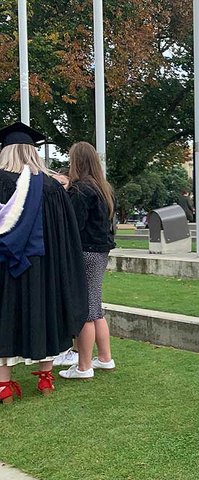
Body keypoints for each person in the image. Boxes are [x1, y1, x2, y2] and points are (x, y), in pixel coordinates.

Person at [0, 122, 87, 402]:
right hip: (43, 267)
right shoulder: (51, 187)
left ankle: (3, 385)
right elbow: (65, 237)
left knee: (4, 315)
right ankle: (46, 378)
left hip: (5, 265)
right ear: (33, 151)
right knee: (43, 311)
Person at [58, 142, 117, 379]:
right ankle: (104, 358)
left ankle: (84, 366)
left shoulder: (81, 190)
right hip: (100, 251)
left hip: (85, 251)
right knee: (95, 306)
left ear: (77, 161)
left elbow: (73, 225)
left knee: (86, 309)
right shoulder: (104, 188)